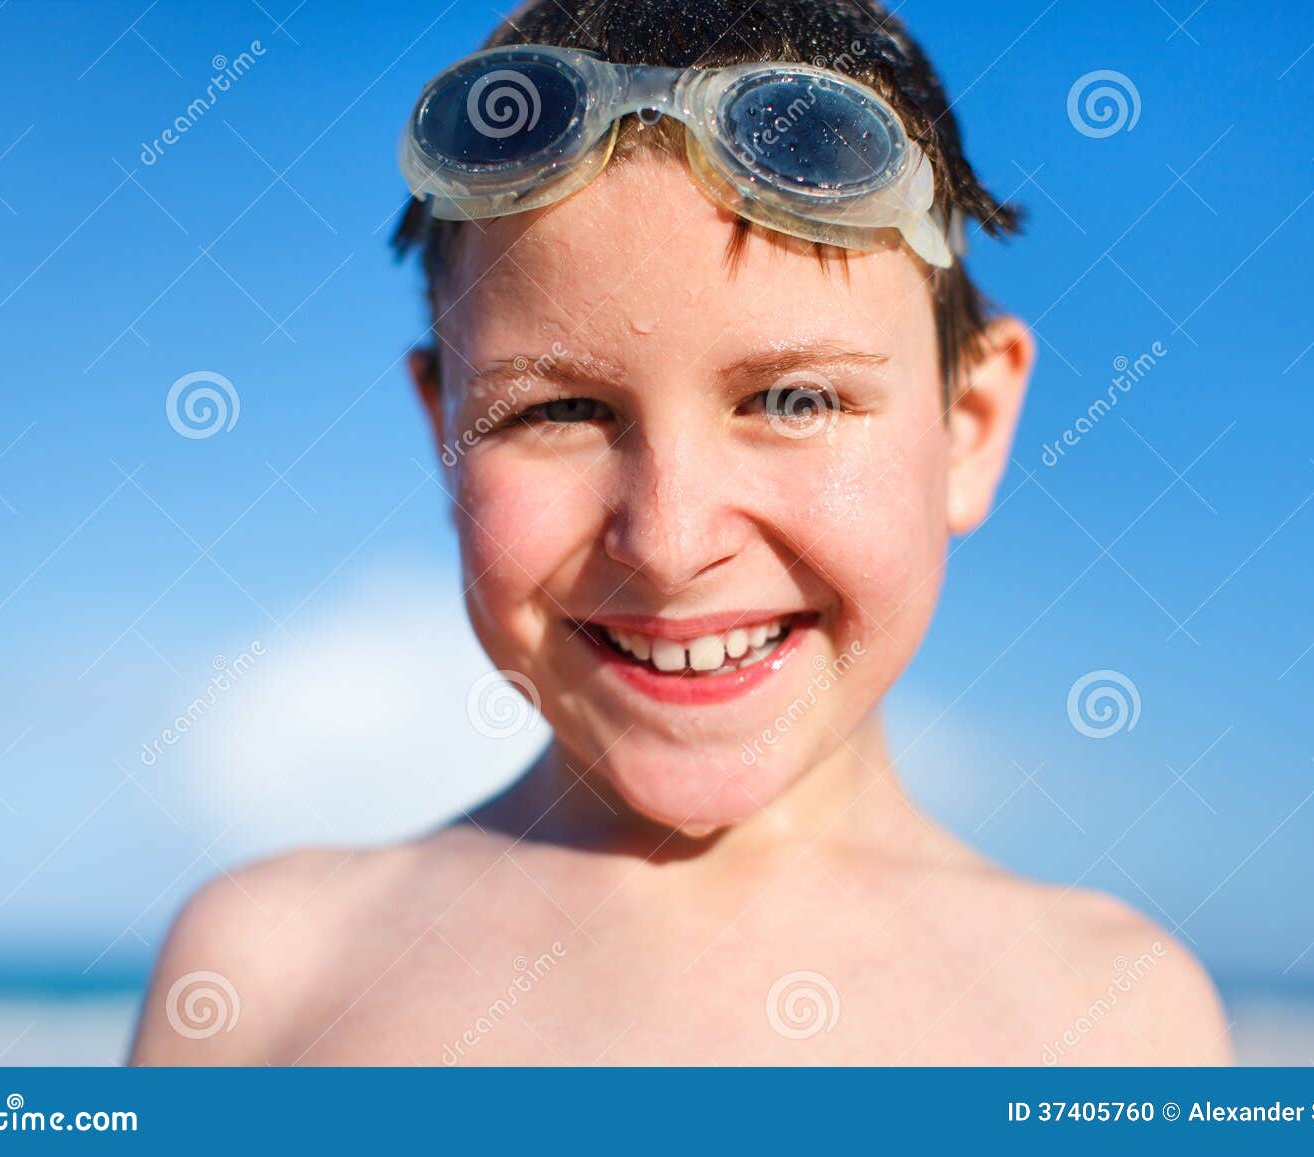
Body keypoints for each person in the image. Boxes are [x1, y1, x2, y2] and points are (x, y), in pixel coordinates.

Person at [131, 0, 1230, 1065]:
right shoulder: (264, 980)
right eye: (557, 411)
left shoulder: (1110, 1021)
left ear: (971, 428)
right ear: (444, 434)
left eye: (794, 400)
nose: (666, 539)